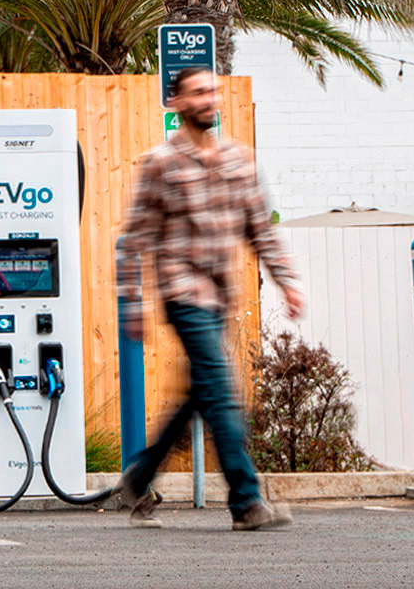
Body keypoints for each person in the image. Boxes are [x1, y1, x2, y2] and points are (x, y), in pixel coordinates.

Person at [116, 65, 306, 531]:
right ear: (176, 102)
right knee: (221, 390)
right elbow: (132, 240)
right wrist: (132, 301)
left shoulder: (239, 162)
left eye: (213, 91)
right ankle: (246, 501)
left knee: (200, 395)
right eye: (198, 92)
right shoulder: (160, 163)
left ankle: (138, 478)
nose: (208, 99)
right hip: (183, 294)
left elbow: (261, 231)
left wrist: (287, 282)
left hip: (220, 298)